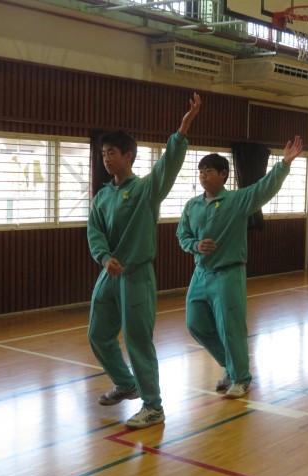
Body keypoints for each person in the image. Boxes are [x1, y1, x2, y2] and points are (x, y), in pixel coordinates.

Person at [86, 92, 201, 429]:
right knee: (98, 334)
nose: (107, 159)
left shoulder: (145, 190)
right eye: (103, 154)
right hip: (109, 274)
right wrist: (104, 257)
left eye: (112, 153)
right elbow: (95, 232)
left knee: (138, 341)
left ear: (129, 156)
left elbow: (168, 166)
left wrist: (182, 129)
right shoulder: (102, 196)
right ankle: (126, 384)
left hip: (137, 275)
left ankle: (153, 406)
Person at [176, 136, 304, 398]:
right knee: (195, 323)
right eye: (200, 171)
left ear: (223, 174)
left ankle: (241, 378)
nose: (203, 176)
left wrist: (284, 164)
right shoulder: (192, 205)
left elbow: (264, 188)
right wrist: (195, 245)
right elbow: (183, 235)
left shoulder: (237, 200)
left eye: (208, 171)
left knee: (230, 327)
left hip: (228, 273)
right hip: (201, 274)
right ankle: (230, 365)